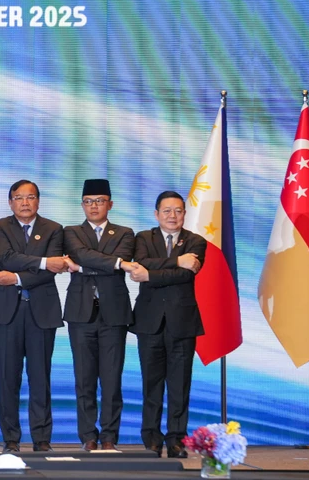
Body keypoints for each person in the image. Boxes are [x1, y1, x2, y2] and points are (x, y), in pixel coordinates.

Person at [0, 180, 72, 453]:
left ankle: (41, 438)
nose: (25, 202)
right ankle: (10, 438)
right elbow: (6, 258)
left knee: (40, 377)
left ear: (38, 201)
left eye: (30, 197)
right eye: (18, 198)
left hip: (41, 312)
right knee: (7, 377)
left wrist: (17, 277)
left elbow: (51, 271)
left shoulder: (54, 229)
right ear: (10, 202)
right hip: (6, 313)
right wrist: (44, 261)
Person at [62, 178, 142, 451]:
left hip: (114, 314)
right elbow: (83, 254)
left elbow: (86, 259)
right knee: (83, 378)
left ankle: (109, 436)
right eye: (88, 201)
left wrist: (83, 267)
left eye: (99, 201)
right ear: (82, 205)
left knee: (111, 378)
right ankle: (88, 436)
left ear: (110, 204)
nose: (93, 206)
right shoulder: (70, 231)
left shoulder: (125, 232)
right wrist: (117, 263)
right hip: (80, 313)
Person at [130, 191, 205, 458]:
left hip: (182, 323)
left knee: (179, 385)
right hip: (149, 322)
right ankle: (151, 438)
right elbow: (139, 265)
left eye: (178, 211)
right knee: (151, 384)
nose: (172, 216)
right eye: (167, 211)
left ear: (185, 213)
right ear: (156, 214)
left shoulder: (196, 241)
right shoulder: (143, 238)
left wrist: (151, 274)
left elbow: (186, 275)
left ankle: (176, 439)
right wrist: (175, 261)